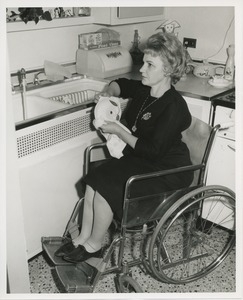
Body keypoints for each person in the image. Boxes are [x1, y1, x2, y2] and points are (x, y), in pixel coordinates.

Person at [55, 31, 194, 263]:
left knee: (105, 192)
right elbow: (120, 84)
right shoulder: (144, 90)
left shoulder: (174, 106)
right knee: (92, 184)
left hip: (167, 169)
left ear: (168, 70)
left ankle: (93, 245)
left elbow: (153, 151)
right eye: (144, 63)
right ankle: (81, 238)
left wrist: (119, 131)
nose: (142, 69)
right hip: (141, 159)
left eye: (150, 65)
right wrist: (108, 92)